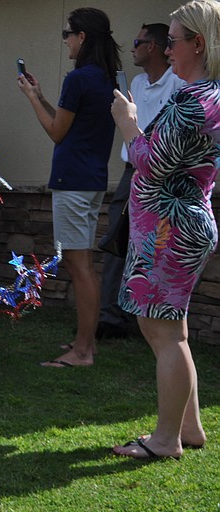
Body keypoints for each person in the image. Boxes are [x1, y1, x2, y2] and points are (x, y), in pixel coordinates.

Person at [110, 0, 219, 460]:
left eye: (172, 41)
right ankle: (188, 429)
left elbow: (150, 160)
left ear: (199, 42)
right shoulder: (209, 96)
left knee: (163, 333)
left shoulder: (196, 101)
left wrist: (128, 127)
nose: (166, 49)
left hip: (170, 229)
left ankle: (166, 439)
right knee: (173, 330)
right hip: (179, 224)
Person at [17, 7, 120, 368]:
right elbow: (67, 121)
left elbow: (57, 132)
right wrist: (41, 94)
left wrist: (31, 99)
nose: (66, 40)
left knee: (79, 266)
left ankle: (82, 351)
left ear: (82, 38)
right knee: (84, 263)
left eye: (68, 34)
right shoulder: (105, 78)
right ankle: (84, 342)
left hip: (74, 183)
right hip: (88, 181)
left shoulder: (78, 79)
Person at [98, 23, 185, 340]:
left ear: (154, 47)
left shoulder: (178, 83)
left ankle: (149, 318)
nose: (132, 47)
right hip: (131, 172)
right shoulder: (134, 81)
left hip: (165, 175)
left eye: (138, 42)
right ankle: (110, 317)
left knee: (159, 246)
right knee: (118, 239)